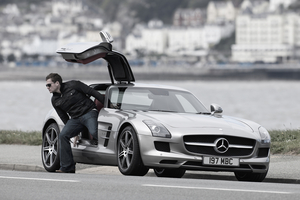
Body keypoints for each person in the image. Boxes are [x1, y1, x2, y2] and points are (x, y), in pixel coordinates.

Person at [45, 73, 105, 173]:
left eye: (49, 85)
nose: (47, 87)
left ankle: (110, 153)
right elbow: (63, 116)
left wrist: (108, 105)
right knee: (63, 135)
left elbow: (93, 92)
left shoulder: (74, 85)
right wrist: (74, 132)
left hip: (89, 112)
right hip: (75, 119)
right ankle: (68, 167)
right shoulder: (54, 100)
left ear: (57, 83)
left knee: (94, 132)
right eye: (46, 85)